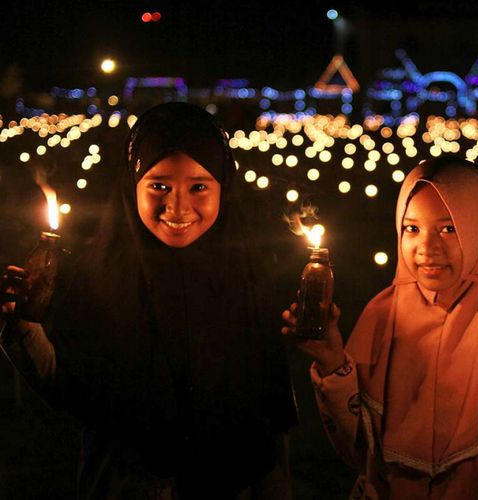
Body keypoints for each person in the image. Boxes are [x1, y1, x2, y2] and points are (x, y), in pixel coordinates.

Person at [1, 102, 297, 499]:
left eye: (199, 186)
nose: (177, 207)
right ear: (131, 185)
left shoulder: (248, 277)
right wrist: (25, 324)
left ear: (224, 187)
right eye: (159, 185)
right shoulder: (100, 277)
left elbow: (270, 414)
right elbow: (71, 389)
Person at [282, 157, 478, 498]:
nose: (427, 249)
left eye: (449, 229)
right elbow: (359, 452)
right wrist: (331, 362)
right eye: (412, 228)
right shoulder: (384, 314)